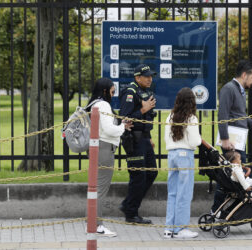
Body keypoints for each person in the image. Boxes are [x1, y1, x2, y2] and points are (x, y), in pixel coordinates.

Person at [86, 77, 133, 236]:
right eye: (112, 91)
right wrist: (123, 127)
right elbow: (109, 130)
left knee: (95, 187)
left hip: (97, 148)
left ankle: (92, 221)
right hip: (104, 149)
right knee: (100, 188)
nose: (113, 95)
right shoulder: (103, 104)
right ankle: (97, 225)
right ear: (105, 90)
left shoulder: (94, 103)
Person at [212, 59, 252, 213]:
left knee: (237, 180)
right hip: (231, 144)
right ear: (244, 75)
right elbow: (223, 114)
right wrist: (225, 139)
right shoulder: (229, 89)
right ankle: (216, 211)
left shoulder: (239, 90)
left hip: (238, 142)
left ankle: (231, 213)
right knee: (228, 180)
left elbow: (239, 115)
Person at [118, 64, 158, 224]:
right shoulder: (130, 92)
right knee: (138, 176)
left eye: (151, 76)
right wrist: (142, 110)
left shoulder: (144, 91)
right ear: (137, 77)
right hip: (133, 140)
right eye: (146, 76)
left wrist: (148, 137)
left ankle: (128, 205)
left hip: (144, 138)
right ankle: (131, 213)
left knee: (151, 172)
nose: (150, 79)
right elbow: (124, 118)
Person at [164, 88, 202, 238]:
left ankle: (169, 228)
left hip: (172, 154)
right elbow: (195, 141)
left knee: (172, 192)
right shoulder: (191, 118)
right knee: (184, 194)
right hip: (185, 155)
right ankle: (181, 229)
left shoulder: (170, 116)